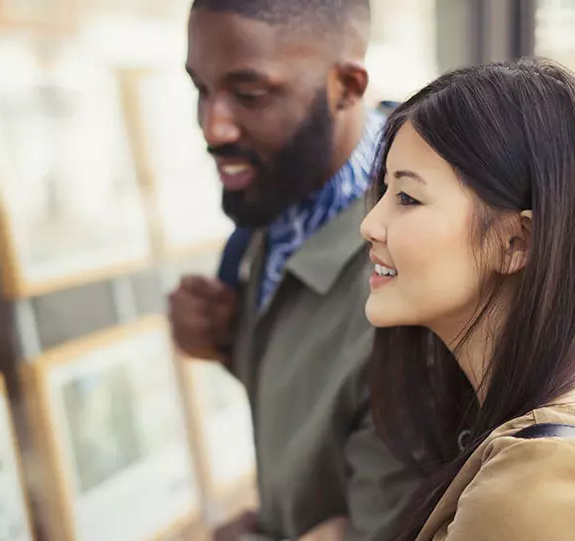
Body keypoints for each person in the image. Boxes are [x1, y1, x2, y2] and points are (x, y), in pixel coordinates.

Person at [359, 58, 575, 540]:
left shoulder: (540, 484)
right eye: (384, 190)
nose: (370, 224)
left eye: (407, 197)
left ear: (516, 242)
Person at [169, 0, 418, 539]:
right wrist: (230, 345)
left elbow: (396, 527)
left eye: (249, 95)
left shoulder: (418, 266)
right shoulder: (281, 198)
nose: (212, 127)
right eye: (200, 88)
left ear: (347, 88)